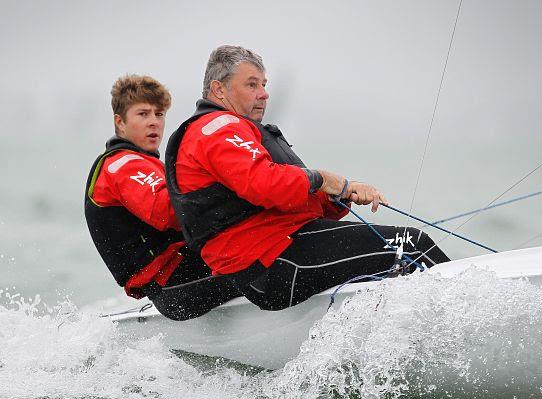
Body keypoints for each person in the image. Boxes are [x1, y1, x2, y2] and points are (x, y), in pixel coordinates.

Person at [165, 45, 450, 311]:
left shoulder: (232, 130)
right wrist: (324, 179)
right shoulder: (217, 127)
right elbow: (265, 185)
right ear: (219, 89)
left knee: (390, 263)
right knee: (412, 246)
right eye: (252, 84)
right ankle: (466, 329)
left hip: (275, 252)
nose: (264, 94)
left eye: (264, 85)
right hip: (270, 263)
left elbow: (286, 198)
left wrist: (339, 196)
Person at [84, 74, 240, 320]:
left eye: (159, 114)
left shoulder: (149, 164)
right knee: (264, 264)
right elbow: (168, 211)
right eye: (143, 114)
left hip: (186, 273)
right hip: (173, 286)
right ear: (120, 122)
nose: (154, 122)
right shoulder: (122, 165)